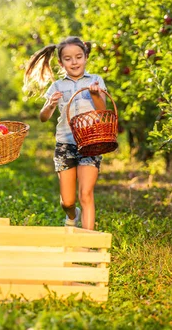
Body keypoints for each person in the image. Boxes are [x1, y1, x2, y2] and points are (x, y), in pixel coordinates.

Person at [23, 36, 106, 230]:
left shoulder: (96, 81)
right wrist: (50, 104)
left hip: (90, 143)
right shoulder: (57, 86)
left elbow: (103, 112)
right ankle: (72, 215)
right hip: (65, 144)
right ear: (61, 63)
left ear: (86, 57)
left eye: (78, 56)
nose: (74, 62)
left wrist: (95, 95)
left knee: (85, 194)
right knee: (67, 201)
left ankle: (86, 243)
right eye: (68, 59)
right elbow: (43, 117)